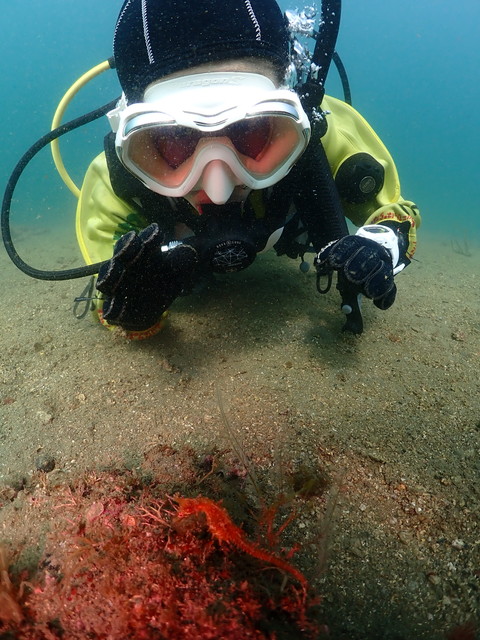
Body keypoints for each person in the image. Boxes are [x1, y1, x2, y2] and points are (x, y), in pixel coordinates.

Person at [75, 0, 421, 340]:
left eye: (251, 131)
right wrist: (137, 310)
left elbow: (392, 213)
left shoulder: (321, 130)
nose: (219, 187)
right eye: (177, 141)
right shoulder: (119, 180)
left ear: (295, 109)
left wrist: (381, 246)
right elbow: (107, 289)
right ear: (134, 138)